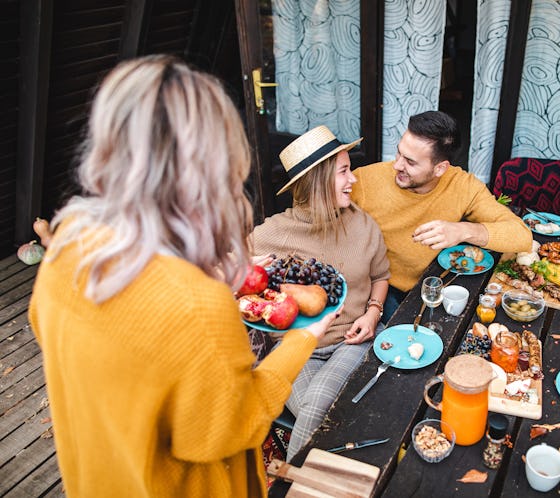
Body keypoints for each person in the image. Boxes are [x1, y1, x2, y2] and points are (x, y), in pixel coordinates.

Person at [28, 55, 338, 498]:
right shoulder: (196, 303)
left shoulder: (67, 245)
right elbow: (230, 428)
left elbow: (73, 336)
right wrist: (302, 341)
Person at [251, 125, 390, 461]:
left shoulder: (362, 224)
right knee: (324, 413)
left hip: (354, 340)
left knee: (318, 409)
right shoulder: (275, 233)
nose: (353, 179)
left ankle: (290, 486)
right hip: (298, 349)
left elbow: (381, 275)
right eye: (344, 171)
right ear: (318, 180)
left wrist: (373, 313)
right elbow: (223, 267)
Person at [351, 111, 532, 321]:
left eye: (410, 162)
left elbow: (522, 235)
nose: (397, 165)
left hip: (434, 283)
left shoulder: (463, 186)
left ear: (440, 168)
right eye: (399, 153)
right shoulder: (364, 180)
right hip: (381, 287)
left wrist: (463, 230)